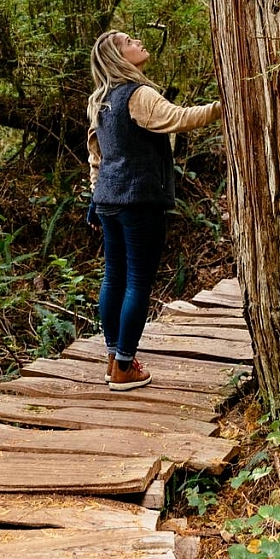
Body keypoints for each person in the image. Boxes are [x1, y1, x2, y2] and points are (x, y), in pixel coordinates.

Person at [87, 30, 222, 392]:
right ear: (119, 57)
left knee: (113, 277)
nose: (139, 43)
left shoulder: (100, 100)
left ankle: (114, 358)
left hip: (107, 201)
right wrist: (223, 106)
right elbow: (179, 118)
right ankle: (125, 367)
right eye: (129, 42)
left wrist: (95, 195)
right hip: (139, 200)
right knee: (137, 281)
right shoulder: (139, 95)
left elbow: (96, 156)